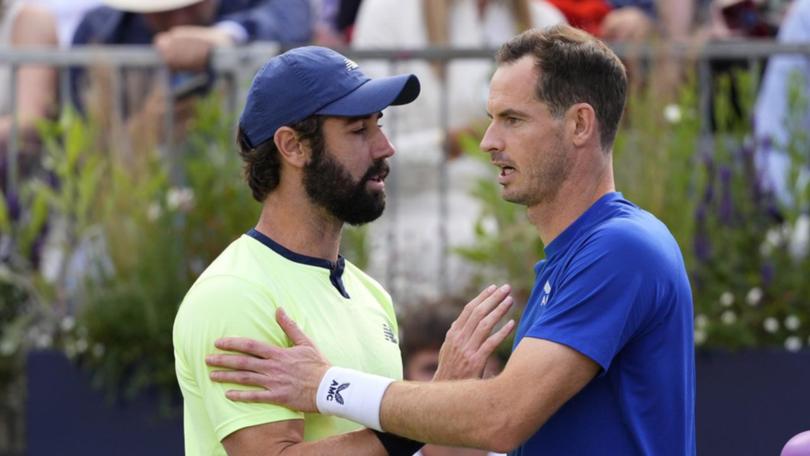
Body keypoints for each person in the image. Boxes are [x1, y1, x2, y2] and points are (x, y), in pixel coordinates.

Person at [206, 25, 696, 455]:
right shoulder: (581, 255)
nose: (487, 142)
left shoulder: (619, 249)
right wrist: (439, 396)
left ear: (580, 124)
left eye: (512, 119)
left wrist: (325, 385)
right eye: (491, 118)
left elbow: (502, 418)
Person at [173, 45, 515, 455]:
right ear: (293, 146)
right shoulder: (234, 293)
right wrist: (420, 413)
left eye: (379, 125)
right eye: (358, 130)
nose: (385, 147)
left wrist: (442, 409)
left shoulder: (371, 294)